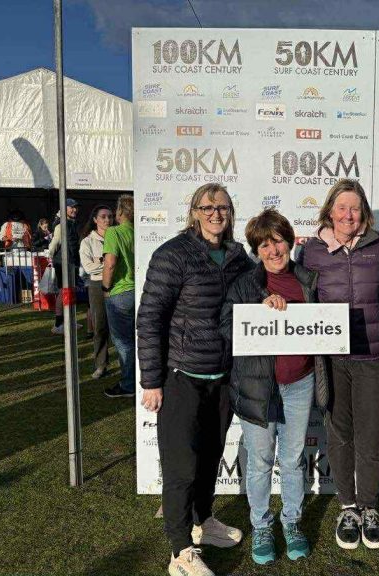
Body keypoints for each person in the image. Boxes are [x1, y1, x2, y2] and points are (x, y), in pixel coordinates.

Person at [137, 184, 252, 576]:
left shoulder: (238, 257)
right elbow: (150, 318)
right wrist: (151, 380)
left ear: (230, 212)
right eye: (207, 207)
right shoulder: (172, 254)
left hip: (222, 378)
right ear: (195, 212)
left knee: (209, 458)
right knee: (182, 467)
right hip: (180, 376)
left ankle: (204, 520)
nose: (215, 214)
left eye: (222, 207)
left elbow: (251, 299)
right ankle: (180, 550)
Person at [220, 209, 328, 566]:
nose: (273, 250)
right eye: (264, 245)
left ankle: (292, 522)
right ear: (256, 250)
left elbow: (325, 326)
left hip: (300, 383)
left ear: (289, 241)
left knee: (293, 459)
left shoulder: (309, 280)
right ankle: (262, 525)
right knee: (261, 460)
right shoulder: (245, 285)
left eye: (278, 241)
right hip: (257, 386)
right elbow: (226, 327)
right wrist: (258, 308)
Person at [298, 179, 379, 551]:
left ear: (364, 213)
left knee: (370, 436)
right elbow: (298, 295)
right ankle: (347, 508)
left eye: (355, 208)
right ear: (330, 211)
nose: (348, 215)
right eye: (341, 207)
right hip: (332, 358)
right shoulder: (311, 251)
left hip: (374, 356)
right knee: (339, 433)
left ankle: (369, 507)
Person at [102, 195, 135, 398]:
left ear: (120, 211)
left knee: (123, 341)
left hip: (120, 292)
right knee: (138, 339)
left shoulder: (114, 232)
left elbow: (110, 263)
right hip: (139, 291)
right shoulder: (138, 231)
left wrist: (105, 288)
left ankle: (128, 384)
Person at [79, 205, 113, 379]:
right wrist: (110, 264)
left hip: (118, 284)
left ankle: (128, 365)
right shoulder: (87, 242)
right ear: (95, 220)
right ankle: (101, 364)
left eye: (110, 216)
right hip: (97, 285)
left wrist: (103, 263)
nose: (107, 220)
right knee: (100, 327)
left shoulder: (117, 236)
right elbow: (88, 267)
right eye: (103, 217)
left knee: (122, 327)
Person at [48, 199, 80, 334]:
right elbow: (54, 244)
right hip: (62, 262)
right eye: (71, 207)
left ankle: (69, 321)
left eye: (75, 207)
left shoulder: (71, 223)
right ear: (64, 209)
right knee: (63, 292)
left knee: (70, 291)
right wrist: (51, 258)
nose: (74, 210)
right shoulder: (61, 224)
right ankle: (58, 324)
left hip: (71, 262)